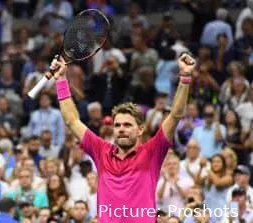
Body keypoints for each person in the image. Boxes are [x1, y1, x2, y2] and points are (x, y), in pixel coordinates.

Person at [50, 52, 196, 223]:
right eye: (117, 125)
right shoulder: (101, 150)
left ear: (140, 129)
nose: (121, 129)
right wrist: (61, 79)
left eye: (127, 125)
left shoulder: (152, 152)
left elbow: (175, 115)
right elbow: (72, 120)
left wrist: (185, 76)